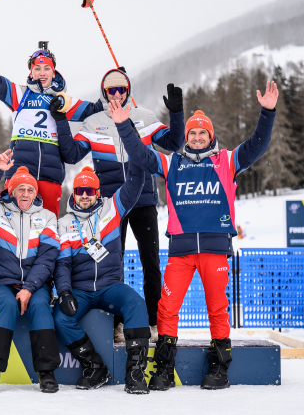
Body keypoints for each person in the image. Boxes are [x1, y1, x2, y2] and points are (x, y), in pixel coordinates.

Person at [113, 81, 279, 390]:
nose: (198, 137)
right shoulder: (173, 163)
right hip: (182, 251)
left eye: (203, 132)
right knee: (167, 308)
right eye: (192, 133)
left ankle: (220, 368)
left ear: (211, 136)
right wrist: (124, 126)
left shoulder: (227, 161)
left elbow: (257, 144)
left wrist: (267, 112)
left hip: (215, 250)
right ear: (186, 138)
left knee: (217, 307)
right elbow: (140, 154)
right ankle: (164, 368)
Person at [52, 68, 185, 342]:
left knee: (151, 263)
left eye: (120, 89)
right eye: (110, 90)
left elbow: (173, 144)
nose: (115, 94)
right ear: (103, 92)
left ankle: (153, 321)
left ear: (128, 91)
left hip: (143, 198)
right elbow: (71, 153)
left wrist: (176, 113)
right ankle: (118, 324)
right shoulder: (94, 121)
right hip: (110, 206)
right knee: (114, 264)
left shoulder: (144, 117)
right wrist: (61, 120)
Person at [0, 25, 104, 218]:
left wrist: (117, 84)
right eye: (37, 68)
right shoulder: (19, 94)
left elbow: (95, 110)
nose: (42, 73)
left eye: (47, 68)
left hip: (50, 177)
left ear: (54, 73)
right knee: (16, 230)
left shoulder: (62, 101)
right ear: (31, 72)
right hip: (20, 175)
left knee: (46, 232)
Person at [53, 163, 152, 394]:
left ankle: (136, 372)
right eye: (80, 191)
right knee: (61, 317)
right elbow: (63, 264)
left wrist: (138, 153)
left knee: (136, 303)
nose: (84, 196)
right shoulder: (65, 223)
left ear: (98, 192)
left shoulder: (112, 208)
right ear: (73, 192)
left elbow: (136, 182)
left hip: (110, 286)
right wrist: (65, 291)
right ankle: (95, 367)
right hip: (81, 290)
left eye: (89, 191)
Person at [0, 151, 61, 394]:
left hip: (37, 284)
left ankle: (46, 373)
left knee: (41, 306)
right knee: (8, 306)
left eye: (30, 190)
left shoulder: (48, 217)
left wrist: (29, 288)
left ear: (35, 194)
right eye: (20, 189)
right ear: (11, 190)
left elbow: (48, 257)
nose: (25, 194)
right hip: (1, 282)